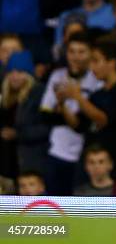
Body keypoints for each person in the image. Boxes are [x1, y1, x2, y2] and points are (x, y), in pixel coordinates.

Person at [58, 41, 116, 176]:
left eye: (96, 61)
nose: (91, 67)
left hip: (114, 160)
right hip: (89, 158)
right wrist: (62, 104)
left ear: (112, 63)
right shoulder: (97, 94)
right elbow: (78, 125)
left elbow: (103, 119)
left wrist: (78, 97)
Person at [41, 32, 102, 195]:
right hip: (57, 152)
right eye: (72, 52)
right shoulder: (57, 76)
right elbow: (46, 115)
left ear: (91, 53)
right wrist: (69, 112)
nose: (76, 57)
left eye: (81, 52)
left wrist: (63, 105)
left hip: (86, 156)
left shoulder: (97, 80)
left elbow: (84, 125)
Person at [2, 51, 47, 177]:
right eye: (11, 72)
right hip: (7, 160)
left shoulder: (39, 93)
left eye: (20, 72)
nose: (15, 76)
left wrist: (17, 134)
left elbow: (46, 128)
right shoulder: (5, 96)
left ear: (28, 74)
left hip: (30, 158)